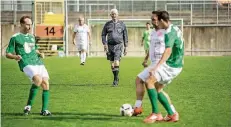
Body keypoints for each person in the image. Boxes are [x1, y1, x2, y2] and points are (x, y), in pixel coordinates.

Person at [143, 10, 184, 123]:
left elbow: (168, 50)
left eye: (157, 21)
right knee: (158, 88)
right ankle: (172, 114)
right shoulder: (174, 28)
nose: (156, 24)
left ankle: (155, 113)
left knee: (149, 81)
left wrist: (156, 68)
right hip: (176, 63)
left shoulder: (168, 32)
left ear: (162, 20)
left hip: (172, 65)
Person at [5, 16, 51, 116]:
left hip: (37, 62)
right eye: (27, 24)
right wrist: (14, 56)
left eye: (31, 24)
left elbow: (34, 49)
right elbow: (7, 53)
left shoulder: (31, 37)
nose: (30, 26)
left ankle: (44, 110)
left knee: (46, 83)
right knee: (38, 79)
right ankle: (28, 106)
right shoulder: (15, 37)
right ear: (21, 24)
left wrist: (39, 53)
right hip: (26, 63)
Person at [133, 11, 166, 116]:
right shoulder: (152, 32)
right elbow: (151, 48)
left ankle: (169, 112)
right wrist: (146, 59)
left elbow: (171, 48)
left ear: (160, 20)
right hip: (153, 63)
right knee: (139, 79)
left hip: (161, 64)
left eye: (155, 19)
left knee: (158, 89)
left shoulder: (165, 32)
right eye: (152, 19)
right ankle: (138, 107)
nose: (153, 21)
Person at [101, 8, 128, 86]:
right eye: (112, 14)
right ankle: (116, 77)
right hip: (110, 46)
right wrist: (104, 44)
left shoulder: (122, 24)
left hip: (119, 45)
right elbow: (103, 34)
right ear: (110, 15)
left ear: (117, 15)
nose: (114, 15)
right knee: (112, 64)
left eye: (115, 14)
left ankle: (115, 80)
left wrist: (126, 47)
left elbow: (125, 35)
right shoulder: (107, 24)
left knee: (116, 61)